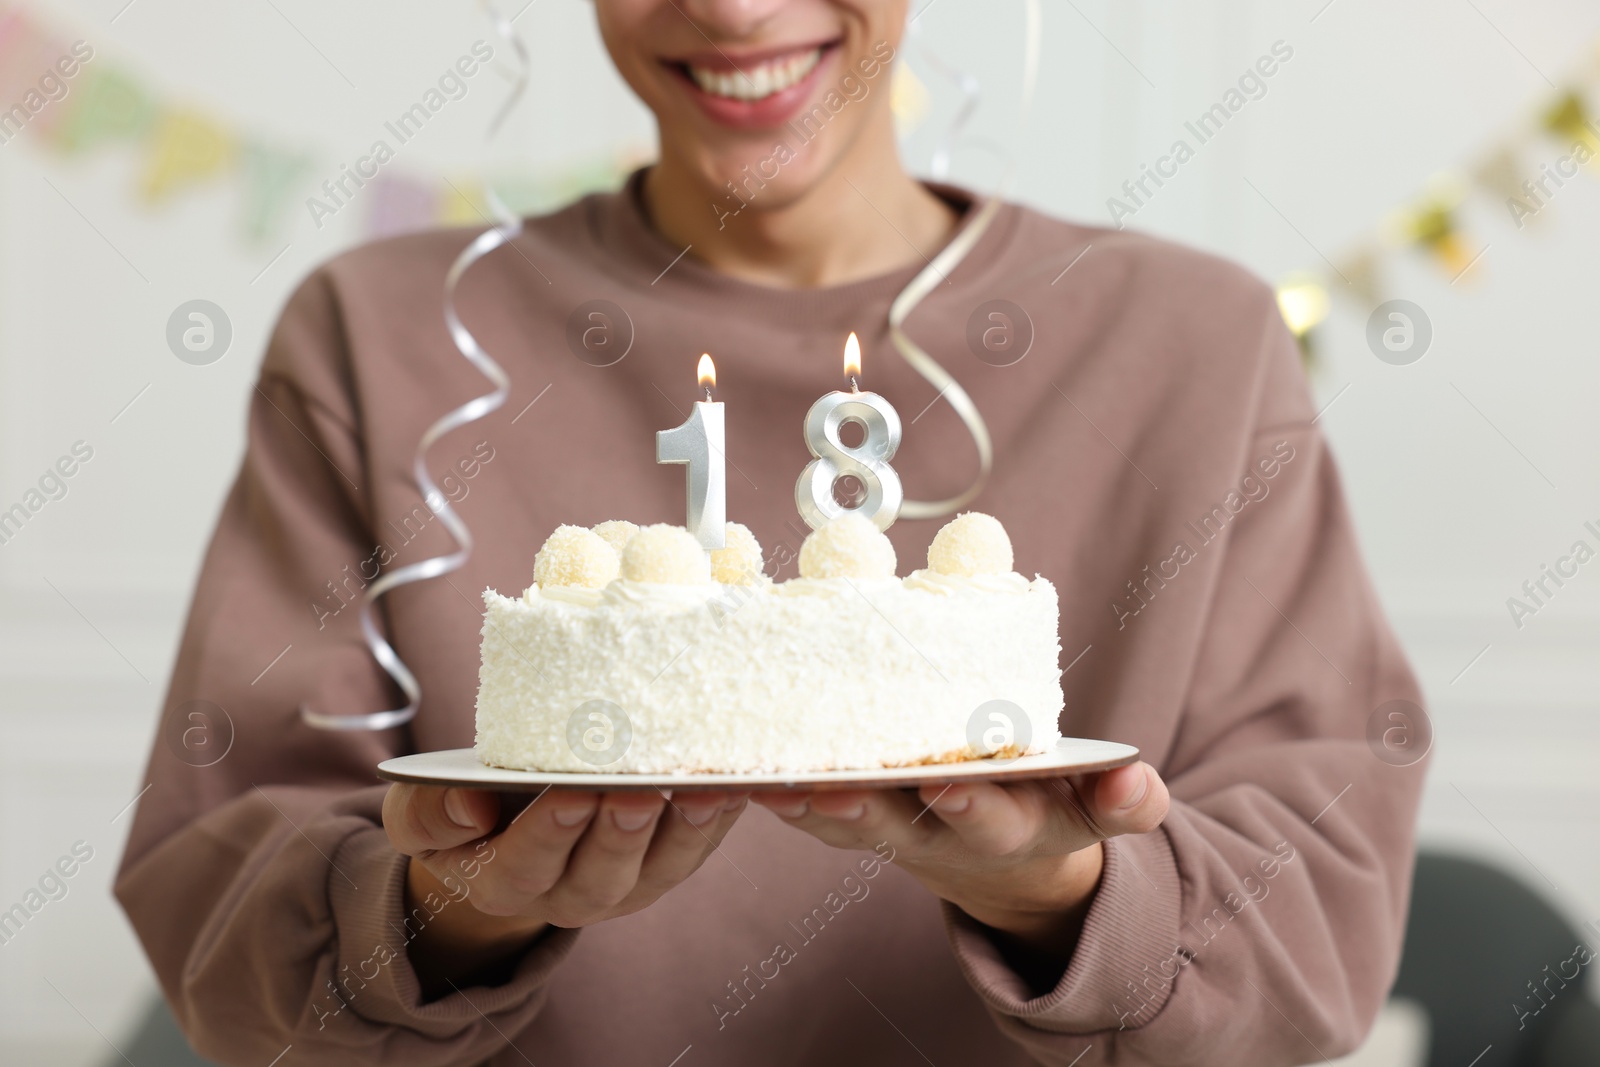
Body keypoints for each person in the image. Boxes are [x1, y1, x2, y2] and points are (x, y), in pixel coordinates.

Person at [115, 1, 1428, 1064]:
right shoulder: (379, 336)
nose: (733, 9)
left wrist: (1061, 897)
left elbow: (1322, 937)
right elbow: (224, 924)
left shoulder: (1196, 342)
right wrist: (452, 915)